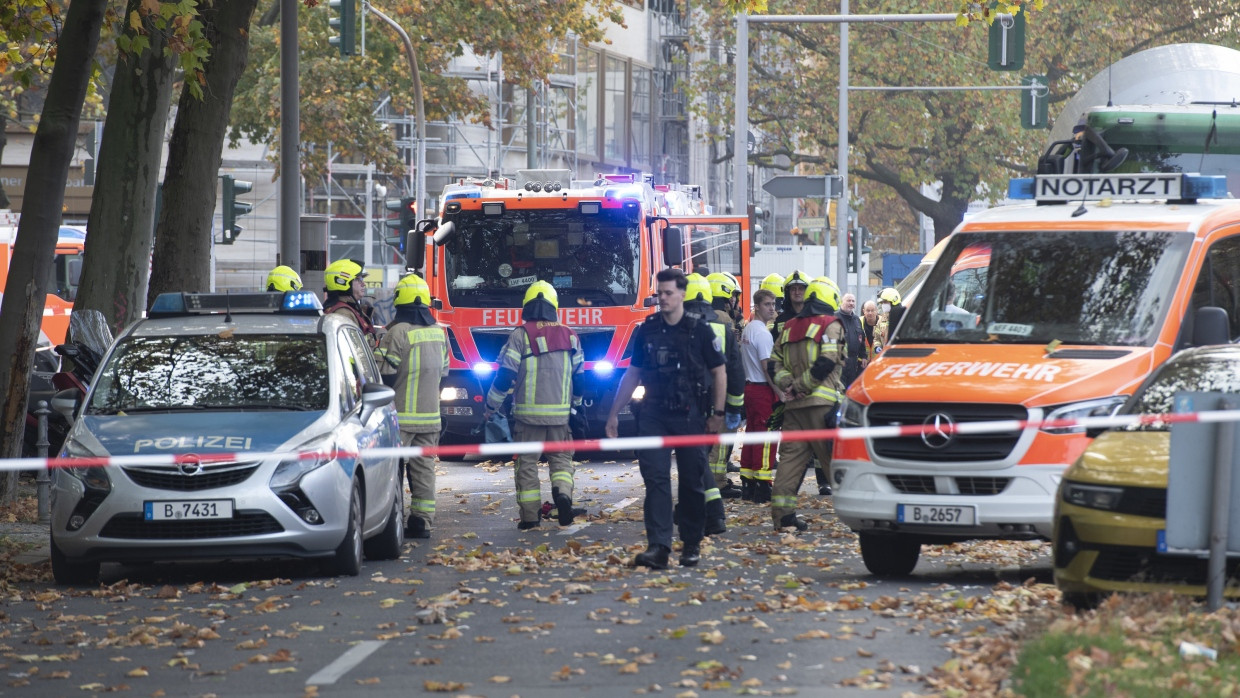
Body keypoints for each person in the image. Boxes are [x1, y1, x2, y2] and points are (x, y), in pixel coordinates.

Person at [605, 268, 726, 569]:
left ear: (683, 294)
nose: (663, 298)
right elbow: (632, 374)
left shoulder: (700, 330)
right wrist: (613, 414)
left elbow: (719, 371)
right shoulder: (646, 330)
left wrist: (718, 413)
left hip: (690, 416)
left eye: (669, 293)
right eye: (659, 293)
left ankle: (691, 544)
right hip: (654, 414)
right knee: (655, 480)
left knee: (691, 482)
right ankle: (658, 546)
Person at [484, 281, 585, 531]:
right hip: (560, 417)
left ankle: (530, 517)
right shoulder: (570, 334)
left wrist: (490, 406)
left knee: (527, 464)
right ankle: (563, 494)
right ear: (554, 306)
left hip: (528, 418)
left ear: (526, 306)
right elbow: (580, 378)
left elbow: (505, 376)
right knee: (561, 459)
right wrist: (576, 406)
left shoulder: (520, 335)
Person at [374, 274, 448, 538]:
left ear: (400, 302)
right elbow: (445, 374)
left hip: (399, 419)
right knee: (425, 471)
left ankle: (388, 521)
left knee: (392, 471)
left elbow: (384, 376)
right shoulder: (439, 332)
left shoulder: (397, 332)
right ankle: (422, 522)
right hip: (430, 418)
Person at [769, 278, 846, 531]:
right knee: (836, 462)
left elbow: (774, 363)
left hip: (794, 409)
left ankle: (783, 516)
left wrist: (788, 385)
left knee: (789, 461)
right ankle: (857, 516)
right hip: (822, 407)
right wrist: (801, 385)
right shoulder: (831, 324)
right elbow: (828, 361)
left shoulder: (789, 326)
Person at [685, 274, 744, 533]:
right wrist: (733, 407)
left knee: (695, 459)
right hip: (714, 401)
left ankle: (707, 512)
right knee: (699, 459)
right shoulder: (723, 324)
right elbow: (734, 368)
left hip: (685, 405)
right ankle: (708, 512)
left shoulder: (675, 322)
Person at [740, 288, 782, 503]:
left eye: (773, 304)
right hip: (763, 389)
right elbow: (768, 368)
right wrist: (780, 393)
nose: (772, 308)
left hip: (750, 387)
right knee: (766, 437)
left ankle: (748, 481)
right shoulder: (762, 333)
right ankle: (763, 486)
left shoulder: (749, 329)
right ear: (757, 306)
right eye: (767, 304)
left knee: (753, 435)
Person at [324, 258, 380, 345]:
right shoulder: (343, 314)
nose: (363, 284)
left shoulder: (349, 309)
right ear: (342, 282)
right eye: (358, 279)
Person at [835, 293, 866, 388]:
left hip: (853, 363)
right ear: (842, 302)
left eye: (853, 301)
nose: (851, 303)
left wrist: (863, 356)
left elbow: (862, 339)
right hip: (839, 362)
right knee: (839, 390)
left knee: (851, 390)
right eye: (848, 300)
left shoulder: (857, 320)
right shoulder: (834, 318)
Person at [876, 287, 902, 351]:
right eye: (882, 303)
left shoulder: (903, 318)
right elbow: (876, 338)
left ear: (893, 301)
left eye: (885, 302)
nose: (883, 305)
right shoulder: (881, 320)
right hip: (886, 355)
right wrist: (877, 346)